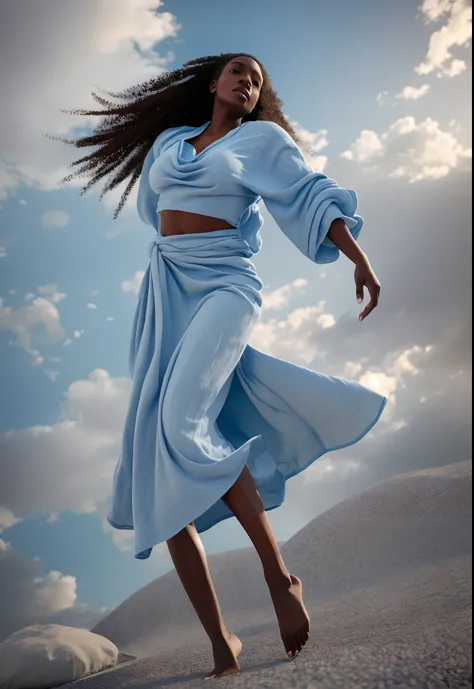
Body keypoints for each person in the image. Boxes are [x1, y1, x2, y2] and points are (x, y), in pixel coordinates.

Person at [55, 52, 387, 680]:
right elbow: (159, 216)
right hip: (165, 293)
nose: (248, 81)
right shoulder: (168, 144)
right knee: (160, 468)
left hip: (224, 287)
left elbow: (308, 193)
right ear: (214, 83)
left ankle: (278, 575)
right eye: (239, 71)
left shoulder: (261, 140)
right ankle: (219, 641)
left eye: (257, 80)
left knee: (181, 421)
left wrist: (357, 256)